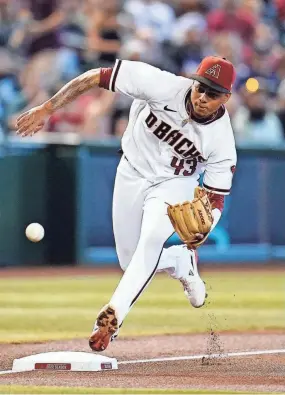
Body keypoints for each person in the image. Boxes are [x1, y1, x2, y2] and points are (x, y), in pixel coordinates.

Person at [16, 55, 237, 352]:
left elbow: (215, 198)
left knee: (150, 241)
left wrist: (206, 227)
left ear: (226, 97)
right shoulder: (160, 85)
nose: (202, 97)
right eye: (200, 87)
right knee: (128, 261)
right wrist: (48, 107)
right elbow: (97, 77)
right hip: (131, 171)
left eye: (212, 93)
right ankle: (178, 261)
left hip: (175, 184)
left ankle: (112, 316)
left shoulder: (222, 141)